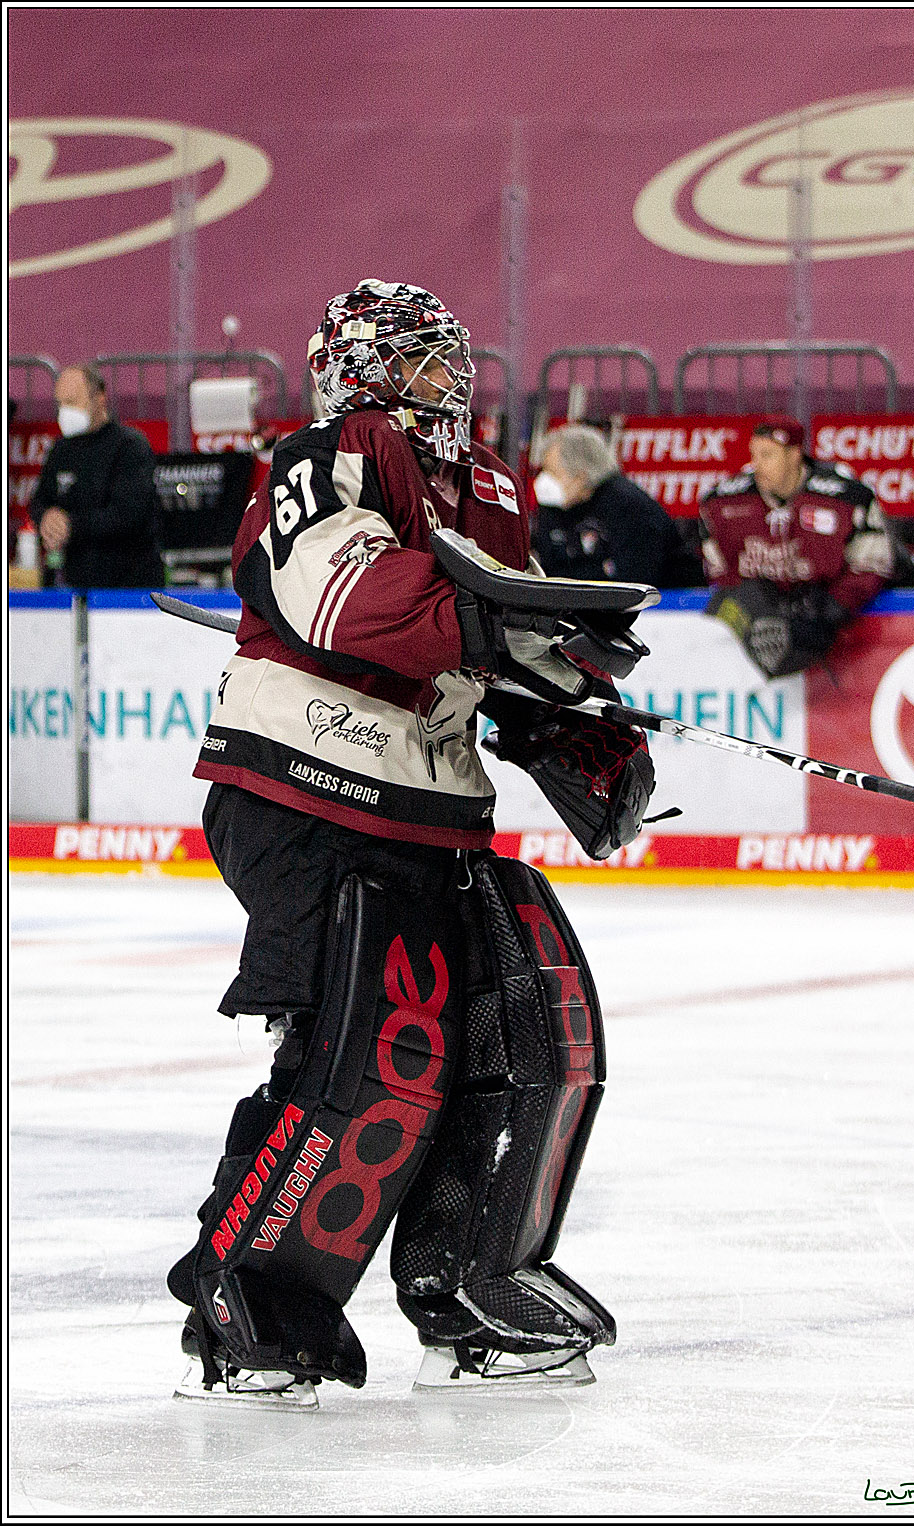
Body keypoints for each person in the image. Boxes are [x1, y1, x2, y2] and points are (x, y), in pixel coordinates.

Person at [166, 279, 657, 1405]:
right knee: (364, 1056)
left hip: (431, 806)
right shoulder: (329, 454)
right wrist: (495, 623)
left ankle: (472, 1285)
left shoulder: (484, 482)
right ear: (362, 371)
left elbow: (501, 640)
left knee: (527, 1034)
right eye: (421, 359)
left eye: (450, 358)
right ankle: (249, 1310)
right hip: (304, 789)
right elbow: (348, 601)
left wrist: (566, 714)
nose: (449, 380)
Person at [698, 416, 912, 679]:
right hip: (756, 636)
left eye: (768, 455)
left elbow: (873, 564)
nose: (757, 465)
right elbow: (720, 574)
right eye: (754, 455)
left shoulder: (847, 499)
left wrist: (831, 608)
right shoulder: (721, 502)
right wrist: (755, 607)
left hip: (835, 635)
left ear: (794, 454)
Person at [29, 363, 163, 588]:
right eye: (60, 403)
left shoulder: (130, 446)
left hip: (128, 582)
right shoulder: (61, 449)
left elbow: (128, 515)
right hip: (76, 580)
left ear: (99, 398)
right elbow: (40, 500)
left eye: (72, 401)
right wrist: (47, 517)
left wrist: (71, 525)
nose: (65, 411)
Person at [533, 423, 701, 586]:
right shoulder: (554, 507)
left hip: (667, 600)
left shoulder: (631, 507)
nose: (543, 480)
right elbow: (549, 568)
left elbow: (634, 579)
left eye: (551, 472)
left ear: (580, 475)